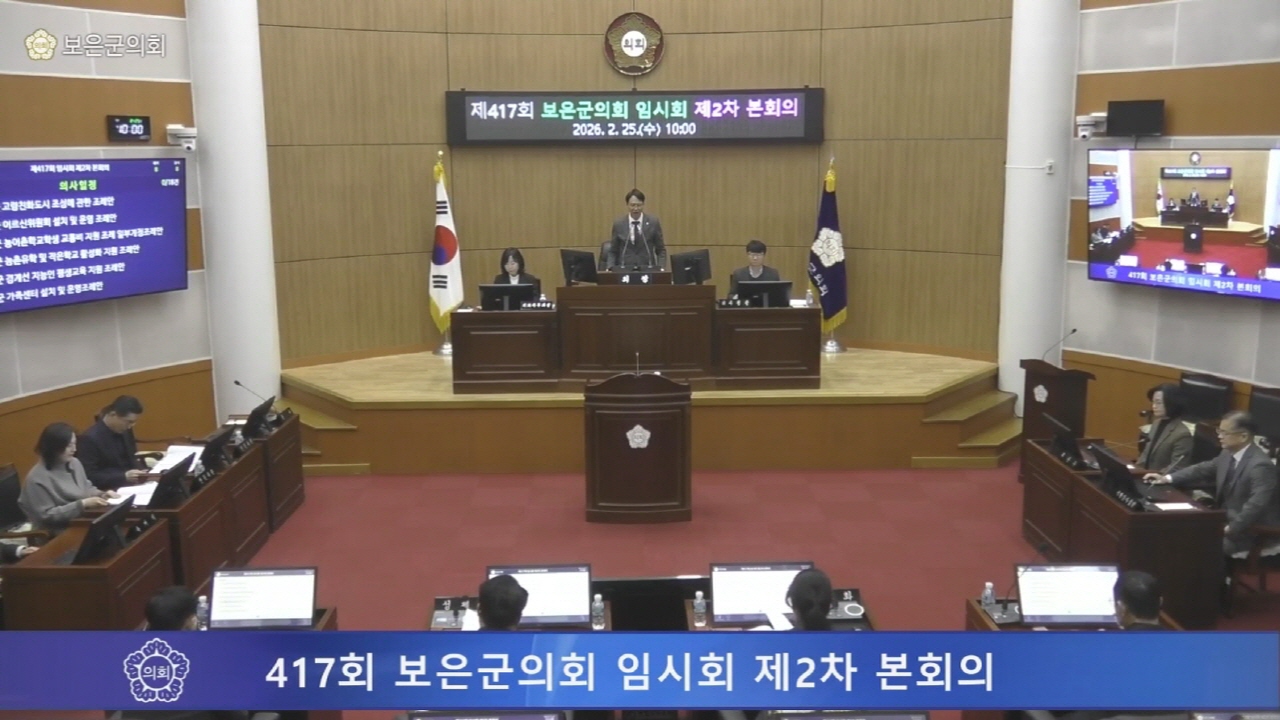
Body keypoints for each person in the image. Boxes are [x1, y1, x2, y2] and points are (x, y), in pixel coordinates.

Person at [1145, 411, 1280, 555]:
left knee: (1192, 546)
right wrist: (1167, 478)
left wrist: (1231, 528)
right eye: (1219, 431)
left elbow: (1256, 505)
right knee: (1177, 532)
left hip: (1250, 534)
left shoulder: (1260, 465)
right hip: (1223, 521)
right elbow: (1203, 469)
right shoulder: (1227, 453)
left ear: (1243, 436)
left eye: (1224, 433)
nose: (1219, 436)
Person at [18, 422, 116, 535]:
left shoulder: (74, 462)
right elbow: (46, 516)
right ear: (54, 448)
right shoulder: (36, 478)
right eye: (69, 446)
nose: (74, 449)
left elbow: (86, 487)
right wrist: (82, 504)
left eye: (74, 444)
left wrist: (102, 494)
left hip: (82, 522)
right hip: (56, 532)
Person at [79, 395, 146, 490]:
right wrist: (123, 477)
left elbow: (132, 456)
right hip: (111, 489)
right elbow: (90, 476)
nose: (130, 426)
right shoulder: (89, 439)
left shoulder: (126, 430)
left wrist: (142, 472)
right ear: (113, 414)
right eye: (129, 422)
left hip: (134, 484)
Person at [1135, 384, 1193, 474]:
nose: (1154, 406)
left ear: (1171, 403)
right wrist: (1135, 470)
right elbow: (1145, 454)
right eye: (1153, 402)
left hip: (1160, 479)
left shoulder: (1182, 434)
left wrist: (1155, 476)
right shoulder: (1156, 423)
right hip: (1143, 474)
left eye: (1158, 403)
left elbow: (1177, 467)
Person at [609, 189, 666, 271]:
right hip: (624, 269)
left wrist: (661, 268)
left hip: (647, 268)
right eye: (632, 205)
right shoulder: (619, 224)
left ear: (643, 204)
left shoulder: (653, 222)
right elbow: (613, 251)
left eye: (639, 205)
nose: (635, 208)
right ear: (627, 205)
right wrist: (610, 268)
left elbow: (660, 250)